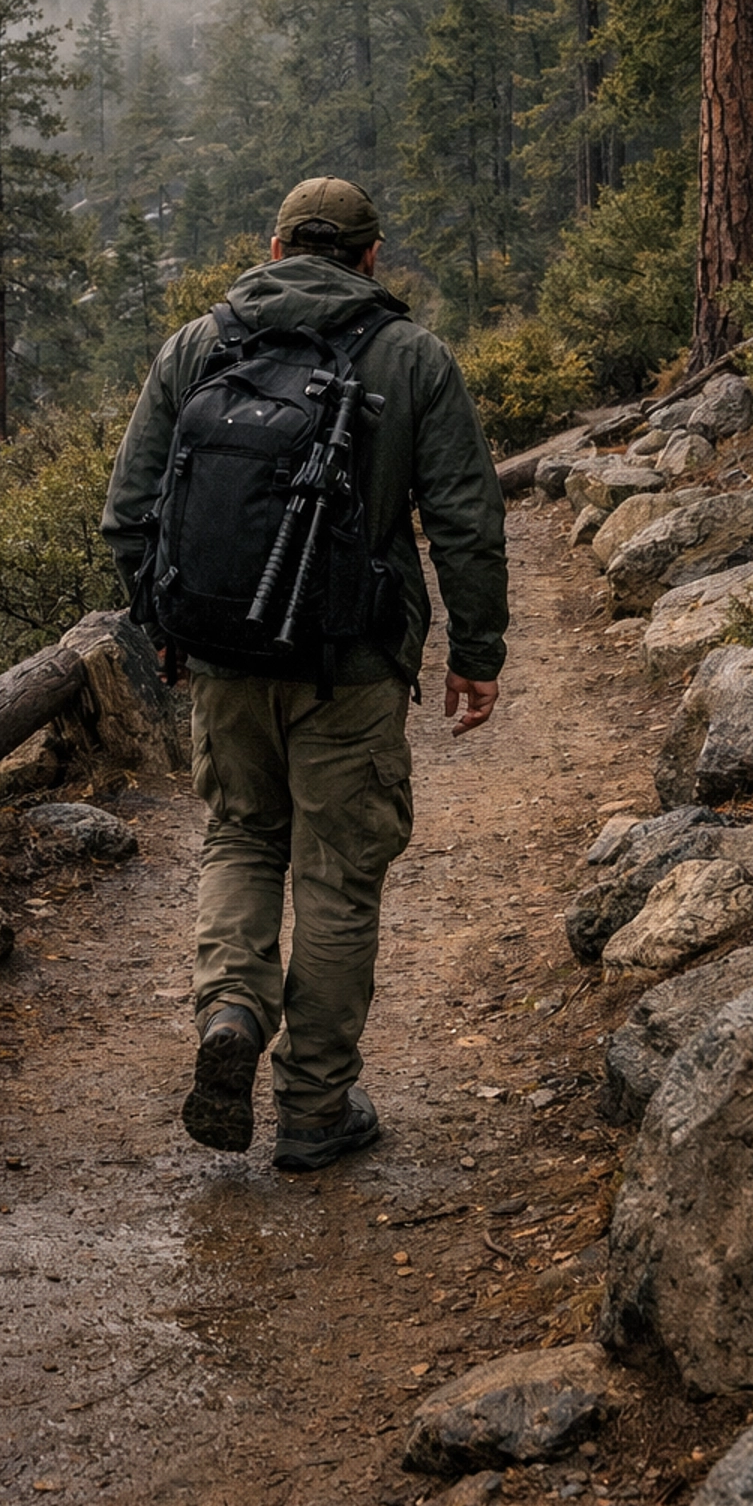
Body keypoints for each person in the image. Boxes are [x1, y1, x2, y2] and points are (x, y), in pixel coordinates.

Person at [102, 177, 508, 1171]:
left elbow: (129, 512)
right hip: (353, 664)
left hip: (226, 658)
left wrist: (164, 628)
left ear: (274, 244)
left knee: (241, 839)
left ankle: (233, 1010)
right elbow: (464, 518)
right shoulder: (410, 357)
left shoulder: (199, 347)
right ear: (372, 258)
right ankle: (318, 1108)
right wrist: (477, 654)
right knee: (336, 873)